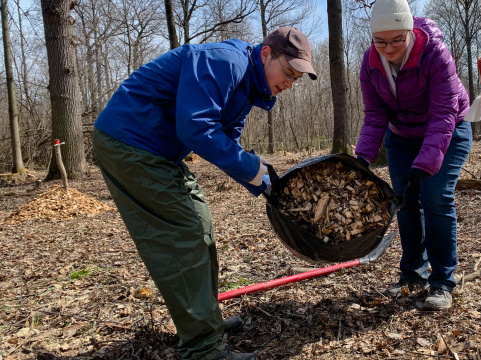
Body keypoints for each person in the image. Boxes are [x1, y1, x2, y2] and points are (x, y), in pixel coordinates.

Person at [92, 28, 317, 360]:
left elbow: (227, 135)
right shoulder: (224, 62)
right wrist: (255, 170)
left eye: (296, 79)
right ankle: (203, 349)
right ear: (266, 54)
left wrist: (262, 180)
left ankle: (204, 323)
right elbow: (196, 127)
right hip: (131, 142)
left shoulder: (248, 84)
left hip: (156, 149)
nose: (289, 83)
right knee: (185, 234)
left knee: (201, 225)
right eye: (288, 73)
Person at [355, 0, 472, 311]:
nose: (389, 48)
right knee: (404, 201)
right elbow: (375, 115)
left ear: (409, 32)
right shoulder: (370, 63)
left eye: (397, 40)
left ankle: (442, 282)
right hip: (402, 134)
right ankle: (412, 276)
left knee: (435, 197)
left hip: (448, 128)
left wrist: (425, 164)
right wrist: (361, 160)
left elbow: (444, 112)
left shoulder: (435, 54)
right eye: (381, 41)